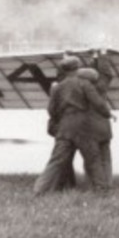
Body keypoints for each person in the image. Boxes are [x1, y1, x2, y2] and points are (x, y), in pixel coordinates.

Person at [32, 55, 83, 194]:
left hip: (61, 127)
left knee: (63, 157)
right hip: (74, 128)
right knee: (61, 158)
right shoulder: (81, 84)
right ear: (77, 68)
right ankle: (41, 189)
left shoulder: (57, 87)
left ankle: (66, 185)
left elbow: (51, 110)